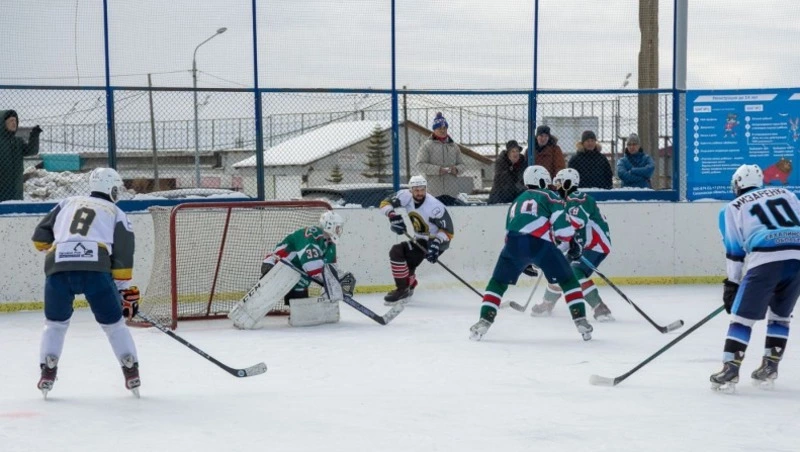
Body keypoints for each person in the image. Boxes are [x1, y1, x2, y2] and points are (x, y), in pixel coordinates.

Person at [30, 167, 141, 398]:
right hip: (95, 271)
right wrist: (122, 290)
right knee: (114, 325)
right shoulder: (116, 212)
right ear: (111, 189)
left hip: (58, 268)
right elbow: (122, 258)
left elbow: (39, 239)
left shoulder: (67, 202)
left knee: (55, 324)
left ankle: (48, 368)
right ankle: (130, 366)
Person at [469, 165, 593, 342]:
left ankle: (484, 320)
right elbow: (563, 230)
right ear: (541, 181)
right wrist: (572, 244)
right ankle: (580, 319)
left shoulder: (517, 200)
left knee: (497, 283)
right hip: (540, 245)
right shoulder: (551, 196)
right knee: (569, 281)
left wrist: (523, 260)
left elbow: (508, 231)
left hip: (512, 245)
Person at [710, 164, 800, 392]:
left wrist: (732, 284)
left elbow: (735, 251)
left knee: (741, 318)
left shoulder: (732, 207)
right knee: (781, 315)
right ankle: (770, 366)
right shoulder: (787, 193)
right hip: (798, 257)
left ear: (738, 184)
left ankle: (730, 369)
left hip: (766, 259)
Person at [229, 211, 351, 329]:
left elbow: (329, 269)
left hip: (297, 274)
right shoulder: (311, 234)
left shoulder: (330, 244)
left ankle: (249, 312)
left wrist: (337, 280)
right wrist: (332, 284)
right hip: (278, 265)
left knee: (299, 311)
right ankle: (241, 316)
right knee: (264, 298)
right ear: (329, 225)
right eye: (337, 227)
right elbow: (311, 267)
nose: (339, 231)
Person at [529, 168, 614, 322]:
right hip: (581, 245)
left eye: (560, 183)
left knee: (575, 273)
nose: (557, 187)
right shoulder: (566, 202)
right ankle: (548, 303)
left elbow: (577, 222)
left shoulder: (578, 197)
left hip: (595, 245)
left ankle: (600, 307)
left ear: (569, 183)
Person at [379, 175, 454, 305]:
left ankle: (403, 289)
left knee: (397, 251)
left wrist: (436, 244)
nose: (419, 193)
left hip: (435, 241)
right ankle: (410, 284)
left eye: (422, 190)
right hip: (420, 238)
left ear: (426, 189)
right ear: (410, 190)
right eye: (416, 190)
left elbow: (448, 231)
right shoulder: (405, 196)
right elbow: (384, 204)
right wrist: (393, 216)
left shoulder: (434, 207)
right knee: (408, 259)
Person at [415, 112, 466, 199]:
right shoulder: (427, 145)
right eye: (439, 128)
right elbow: (420, 165)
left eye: (445, 128)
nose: (442, 130)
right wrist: (438, 170)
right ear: (434, 130)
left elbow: (463, 165)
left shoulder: (454, 146)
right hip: (434, 192)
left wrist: (456, 169)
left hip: (451, 192)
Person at [1, 110, 42, 201]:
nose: (14, 123)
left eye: (15, 121)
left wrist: (34, 136)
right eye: (11, 121)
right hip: (2, 183)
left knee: (16, 209)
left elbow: (31, 151)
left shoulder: (17, 141)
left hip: (16, 186)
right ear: (3, 124)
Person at [487, 140, 527, 204]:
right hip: (501, 195)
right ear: (508, 153)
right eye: (513, 151)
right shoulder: (501, 162)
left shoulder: (523, 162)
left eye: (517, 151)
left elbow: (522, 180)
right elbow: (504, 180)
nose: (515, 154)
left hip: (517, 193)